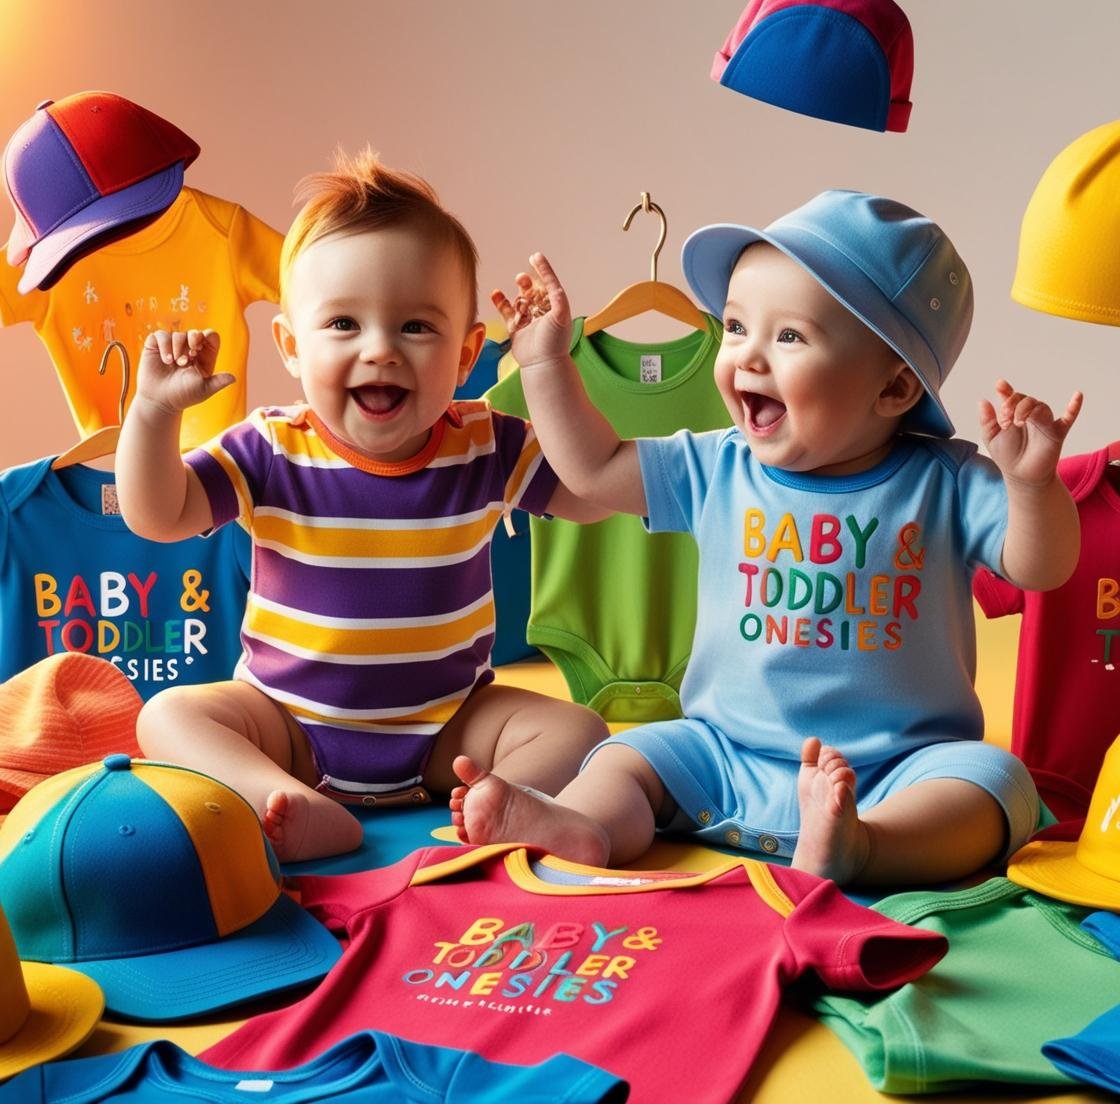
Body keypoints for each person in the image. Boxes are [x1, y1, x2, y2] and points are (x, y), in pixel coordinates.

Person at [450, 190, 1083, 887]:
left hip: (901, 765)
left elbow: (1041, 568)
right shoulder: (716, 464)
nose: (748, 357)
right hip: (723, 751)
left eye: (789, 337)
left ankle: (863, 846)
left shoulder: (947, 480)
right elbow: (595, 469)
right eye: (735, 327)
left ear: (896, 388)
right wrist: (544, 365)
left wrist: (1030, 488)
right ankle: (586, 826)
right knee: (627, 758)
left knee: (993, 781)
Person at [115, 150, 608, 862]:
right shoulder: (270, 448)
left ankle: (500, 802)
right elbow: (158, 516)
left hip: (449, 732)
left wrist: (545, 368)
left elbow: (591, 492)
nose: (380, 350)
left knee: (579, 733)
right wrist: (154, 413)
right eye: (343, 324)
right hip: (288, 727)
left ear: (469, 352)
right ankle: (279, 799)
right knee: (169, 715)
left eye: (416, 327)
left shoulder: (485, 444)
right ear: (290, 345)